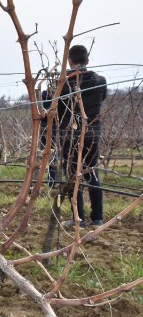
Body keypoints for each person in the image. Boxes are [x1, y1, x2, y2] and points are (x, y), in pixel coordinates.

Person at [58, 45, 107, 228]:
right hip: (93, 133)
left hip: (70, 134)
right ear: (87, 60)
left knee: (72, 176)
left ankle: (78, 219)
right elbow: (100, 101)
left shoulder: (63, 84)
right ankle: (97, 219)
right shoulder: (100, 80)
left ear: (69, 61)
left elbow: (57, 110)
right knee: (92, 173)